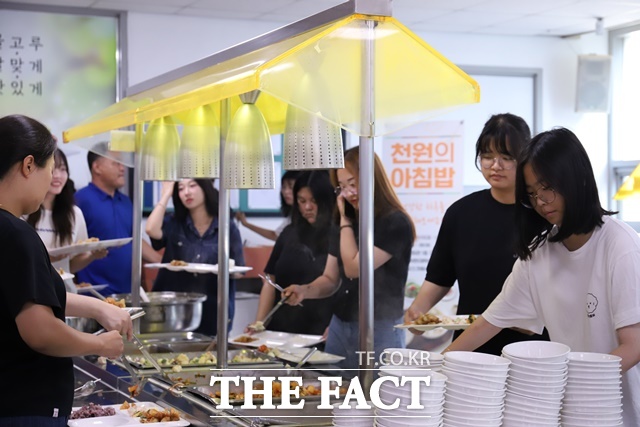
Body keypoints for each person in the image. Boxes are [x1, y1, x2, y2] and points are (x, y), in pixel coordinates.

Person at [445, 127, 640, 425]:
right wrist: (436, 366)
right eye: (533, 193)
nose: (542, 201)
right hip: (565, 411)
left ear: (578, 180)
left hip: (619, 412)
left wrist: (570, 388)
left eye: (548, 187)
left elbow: (634, 345)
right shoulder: (539, 253)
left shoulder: (621, 246)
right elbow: (487, 324)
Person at [0, 114, 132, 426]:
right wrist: (100, 344)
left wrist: (96, 307)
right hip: (24, 407)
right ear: (29, 165)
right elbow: (41, 332)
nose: (51, 181)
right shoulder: (16, 234)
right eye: (50, 168)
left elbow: (25, 291)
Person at [404, 113, 548, 355]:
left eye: (506, 157)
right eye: (487, 156)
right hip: (471, 348)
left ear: (525, 158)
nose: (495, 165)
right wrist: (418, 311)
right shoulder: (460, 213)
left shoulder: (543, 214)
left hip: (531, 351)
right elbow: (441, 275)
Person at [283, 146, 416, 370]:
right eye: (342, 186)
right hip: (340, 324)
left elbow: (356, 268)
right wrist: (304, 290)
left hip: (380, 327)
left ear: (372, 179)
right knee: (336, 395)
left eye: (353, 184)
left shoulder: (394, 222)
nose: (347, 193)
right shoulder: (345, 220)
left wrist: (344, 220)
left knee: (379, 397)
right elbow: (330, 278)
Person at [146, 179, 245, 336]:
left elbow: (239, 270)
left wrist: (224, 269)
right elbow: (151, 229)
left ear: (206, 188)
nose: (187, 192)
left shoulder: (227, 226)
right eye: (180, 188)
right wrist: (165, 195)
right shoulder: (175, 223)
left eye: (192, 185)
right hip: (174, 312)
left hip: (213, 311)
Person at [249, 171, 335, 335]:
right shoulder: (289, 233)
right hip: (280, 329)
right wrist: (260, 323)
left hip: (321, 331)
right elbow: (270, 280)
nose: (307, 207)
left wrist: (337, 329)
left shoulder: (340, 235)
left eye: (314, 201)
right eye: (302, 201)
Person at [75, 143, 160, 295]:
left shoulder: (126, 201)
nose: (123, 168)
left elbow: (134, 240)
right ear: (97, 167)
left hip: (127, 294)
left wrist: (161, 262)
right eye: (116, 163)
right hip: (94, 295)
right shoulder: (80, 200)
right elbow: (72, 247)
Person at [26, 148, 107, 280]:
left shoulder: (74, 214)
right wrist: (46, 258)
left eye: (63, 169)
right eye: (52, 169)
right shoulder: (24, 210)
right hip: (33, 289)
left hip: (65, 291)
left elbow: (70, 266)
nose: (58, 175)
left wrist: (92, 255)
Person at [235, 170, 299, 241]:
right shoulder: (292, 215)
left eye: (291, 187)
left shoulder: (306, 215)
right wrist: (246, 224)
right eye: (284, 187)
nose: (286, 192)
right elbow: (275, 235)